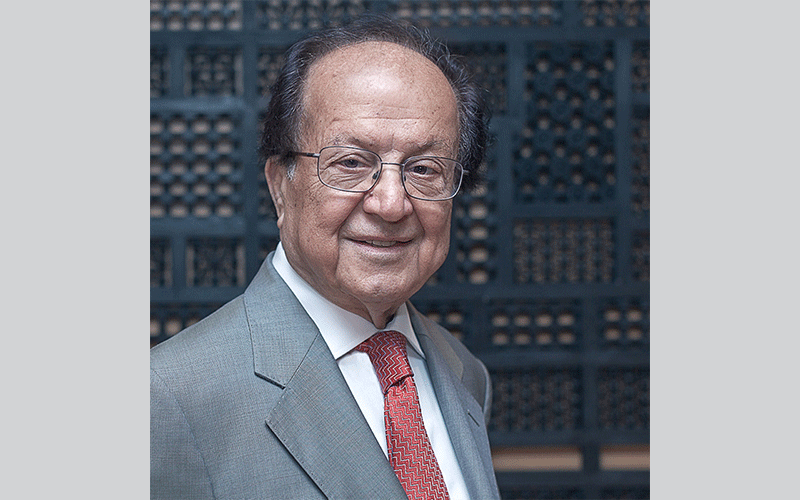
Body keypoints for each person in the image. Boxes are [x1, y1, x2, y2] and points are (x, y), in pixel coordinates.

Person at [151, 15, 499, 499]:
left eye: (424, 169)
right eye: (351, 163)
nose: (391, 204)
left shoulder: (464, 372)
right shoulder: (168, 397)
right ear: (280, 185)